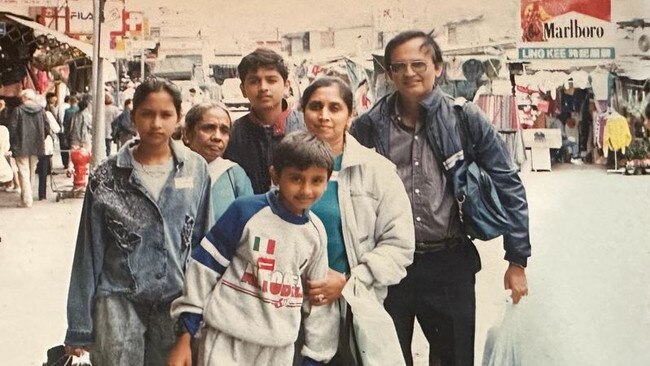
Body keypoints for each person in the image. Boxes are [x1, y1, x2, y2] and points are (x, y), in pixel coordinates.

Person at [351, 31, 531, 366]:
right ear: (388, 73)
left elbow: (509, 184)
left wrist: (517, 259)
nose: (409, 73)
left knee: (454, 359)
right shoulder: (370, 125)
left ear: (439, 68)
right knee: (385, 357)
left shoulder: (465, 117)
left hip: (450, 263)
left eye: (418, 64)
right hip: (389, 265)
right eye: (399, 66)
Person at [64, 77, 213, 365]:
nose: (156, 123)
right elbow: (87, 253)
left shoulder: (196, 169)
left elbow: (202, 245)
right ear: (133, 117)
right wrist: (79, 325)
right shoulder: (106, 176)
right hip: (117, 303)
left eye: (165, 115)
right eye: (147, 113)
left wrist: (198, 313)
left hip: (175, 302)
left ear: (178, 118)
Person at [169, 130, 338, 366]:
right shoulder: (246, 211)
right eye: (296, 178)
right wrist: (186, 333)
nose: (306, 190)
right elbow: (203, 270)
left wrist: (315, 357)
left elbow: (319, 300)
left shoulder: (315, 232)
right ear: (275, 176)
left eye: (317, 180)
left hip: (277, 350)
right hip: (227, 340)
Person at [299, 77, 415, 365]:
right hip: (299, 306)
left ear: (350, 114)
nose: (324, 116)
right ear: (303, 112)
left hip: (357, 304)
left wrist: (349, 281)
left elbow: (399, 245)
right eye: (315, 106)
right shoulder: (290, 167)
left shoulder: (376, 171)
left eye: (334, 107)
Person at [224, 48, 305, 194]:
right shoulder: (232, 134)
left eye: (271, 80)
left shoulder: (307, 128)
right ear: (243, 89)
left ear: (286, 86)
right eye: (254, 81)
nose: (263, 88)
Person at [184, 102, 254, 222]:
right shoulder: (176, 170)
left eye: (224, 130)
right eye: (208, 128)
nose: (217, 137)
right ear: (187, 134)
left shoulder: (234, 174)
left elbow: (250, 222)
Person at [8, 89, 50, 208]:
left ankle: (26, 200)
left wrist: (12, 143)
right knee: (31, 171)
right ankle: (27, 196)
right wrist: (41, 139)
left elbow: (12, 128)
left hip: (21, 146)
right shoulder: (41, 111)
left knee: (23, 172)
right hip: (36, 145)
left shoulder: (18, 111)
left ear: (24, 98)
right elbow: (47, 128)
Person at [36, 102, 61, 200]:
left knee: (28, 169)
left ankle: (26, 193)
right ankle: (42, 194)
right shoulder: (47, 114)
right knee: (43, 169)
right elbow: (57, 129)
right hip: (45, 145)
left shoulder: (21, 111)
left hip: (29, 144)